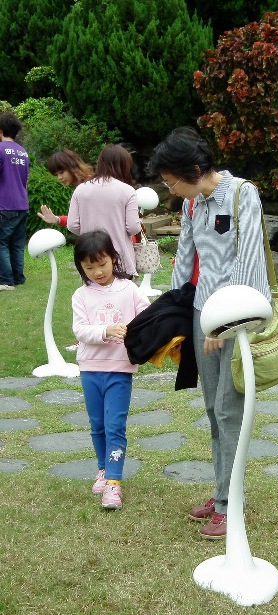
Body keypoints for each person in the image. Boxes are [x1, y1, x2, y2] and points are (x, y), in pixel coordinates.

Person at [147, 127, 270, 539]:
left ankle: (229, 504)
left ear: (195, 169)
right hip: (203, 314)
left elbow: (248, 262)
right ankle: (222, 491)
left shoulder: (242, 195)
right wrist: (175, 313)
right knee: (214, 410)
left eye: (172, 181)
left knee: (229, 409)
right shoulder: (191, 204)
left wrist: (225, 320)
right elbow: (185, 259)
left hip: (236, 316)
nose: (170, 190)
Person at [72, 229, 150, 509]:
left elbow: (147, 317)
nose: (97, 272)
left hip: (120, 370)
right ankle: (103, 470)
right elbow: (80, 330)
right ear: (81, 267)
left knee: (115, 425)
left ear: (114, 258)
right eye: (89, 267)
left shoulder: (129, 290)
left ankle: (114, 482)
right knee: (97, 425)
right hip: (90, 369)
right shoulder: (81, 295)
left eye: (102, 264)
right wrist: (106, 330)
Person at [67, 144, 141, 277]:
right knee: (122, 289)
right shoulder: (127, 191)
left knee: (94, 289)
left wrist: (89, 233)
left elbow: (72, 225)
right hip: (119, 257)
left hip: (90, 255)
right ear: (124, 166)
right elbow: (133, 227)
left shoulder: (81, 189)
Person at [0, 111, 30, 291]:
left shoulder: (0, 150)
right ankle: (18, 278)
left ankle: (6, 280)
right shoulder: (23, 152)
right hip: (22, 204)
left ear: (1, 130)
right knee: (17, 245)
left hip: (5, 205)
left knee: (1, 243)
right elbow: (25, 182)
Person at [37, 149, 93, 226]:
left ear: (72, 167)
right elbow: (79, 221)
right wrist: (57, 219)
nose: (59, 177)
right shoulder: (82, 185)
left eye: (61, 172)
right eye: (56, 175)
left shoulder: (90, 185)